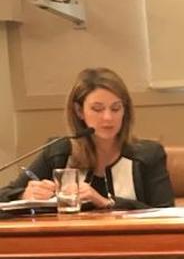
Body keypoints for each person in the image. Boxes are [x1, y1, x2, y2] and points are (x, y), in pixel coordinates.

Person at [0, 67, 174, 209]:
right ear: (79, 111)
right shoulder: (59, 151)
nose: (108, 117)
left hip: (133, 247)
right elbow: (4, 195)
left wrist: (106, 203)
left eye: (115, 108)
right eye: (97, 109)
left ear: (125, 111)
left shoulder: (148, 154)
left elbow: (166, 213)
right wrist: (24, 195)